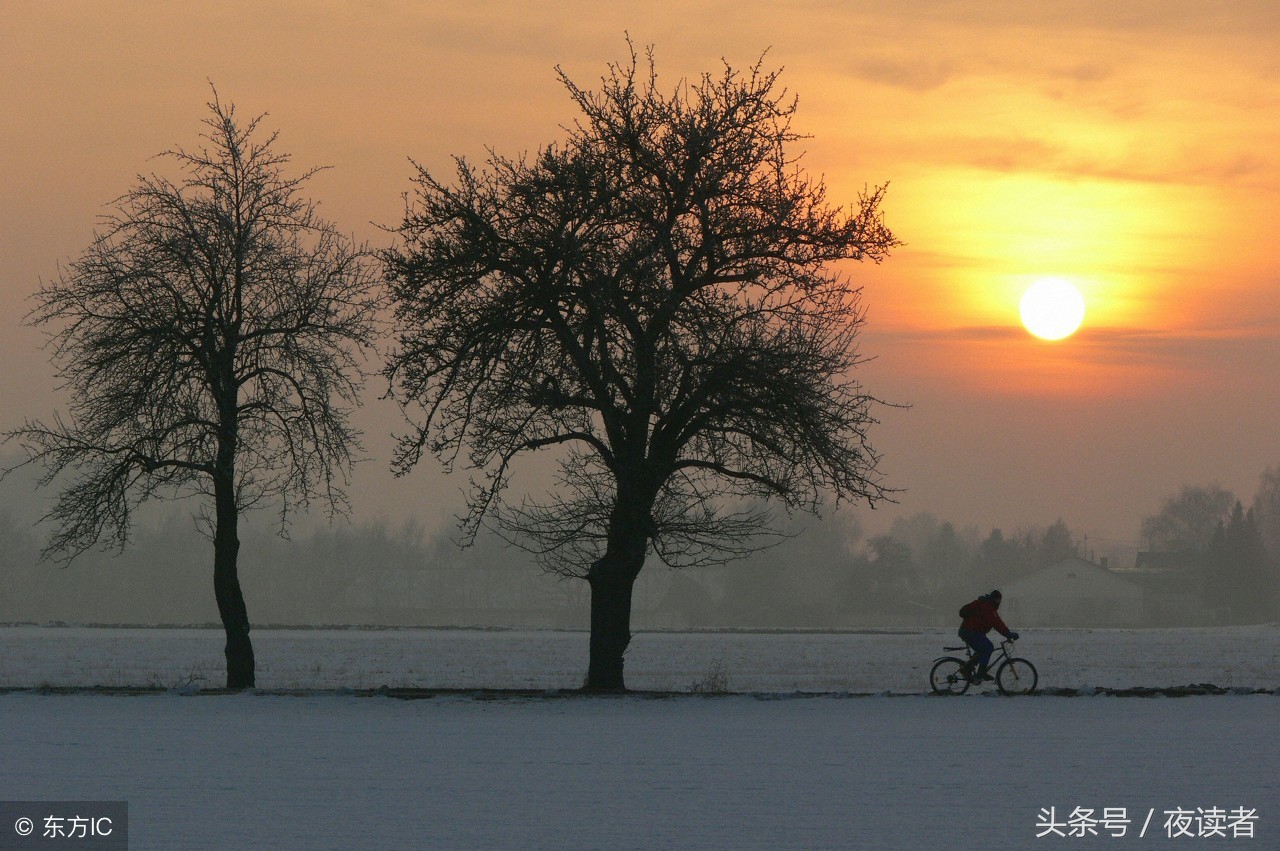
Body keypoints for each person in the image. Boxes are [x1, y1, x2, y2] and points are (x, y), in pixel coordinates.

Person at [957, 590, 1019, 682]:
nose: (999, 602)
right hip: (969, 631)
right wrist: (1008, 634)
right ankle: (980, 673)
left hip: (970, 631)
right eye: (998, 600)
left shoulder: (988, 605)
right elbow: (996, 623)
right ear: (995, 599)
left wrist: (1007, 633)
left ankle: (966, 668)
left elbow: (997, 621)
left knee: (982, 650)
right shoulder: (988, 606)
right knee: (988, 647)